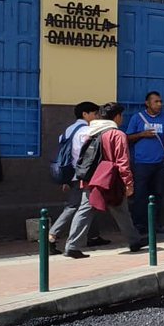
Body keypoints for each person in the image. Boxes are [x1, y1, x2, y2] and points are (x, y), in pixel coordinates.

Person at [63, 103, 145, 258]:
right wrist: (128, 183)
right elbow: (123, 161)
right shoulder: (116, 134)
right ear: (117, 116)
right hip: (111, 179)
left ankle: (72, 245)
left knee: (85, 210)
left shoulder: (91, 132)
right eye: (121, 116)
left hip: (91, 179)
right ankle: (134, 241)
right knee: (120, 209)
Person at [49, 102, 109, 251]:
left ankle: (93, 237)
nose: (96, 117)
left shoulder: (69, 130)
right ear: (85, 114)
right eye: (94, 114)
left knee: (88, 204)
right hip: (83, 174)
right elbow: (88, 155)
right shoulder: (86, 131)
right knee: (74, 206)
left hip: (72, 173)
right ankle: (51, 235)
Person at [126, 91, 164, 234]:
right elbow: (127, 138)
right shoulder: (137, 118)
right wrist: (142, 134)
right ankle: (139, 225)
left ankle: (156, 224)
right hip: (141, 163)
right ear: (147, 103)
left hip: (159, 162)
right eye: (156, 102)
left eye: (160, 101)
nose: (159, 104)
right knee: (140, 194)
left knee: (158, 193)